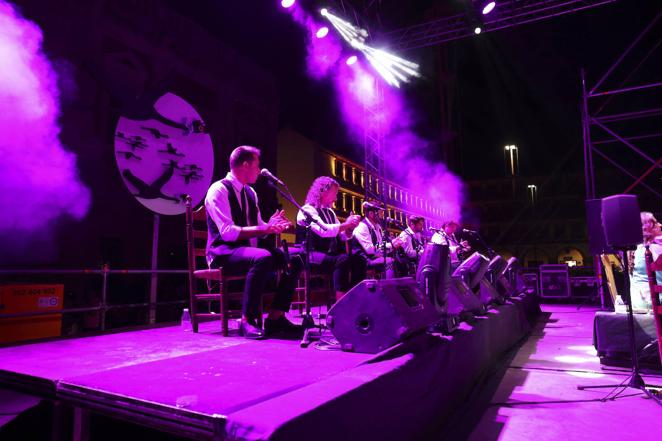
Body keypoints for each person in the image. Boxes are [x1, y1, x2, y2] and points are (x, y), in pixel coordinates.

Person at [205, 145, 302, 338]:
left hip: (247, 252)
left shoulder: (250, 193)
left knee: (295, 259)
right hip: (223, 252)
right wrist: (263, 228)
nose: (259, 170)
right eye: (257, 166)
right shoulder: (218, 190)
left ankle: (275, 317)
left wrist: (271, 226)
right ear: (246, 165)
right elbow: (227, 233)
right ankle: (247, 320)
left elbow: (258, 229)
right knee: (263, 257)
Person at [296, 177, 362, 302]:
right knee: (342, 259)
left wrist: (350, 228)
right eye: (334, 194)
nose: (336, 198)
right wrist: (346, 224)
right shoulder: (308, 210)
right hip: (310, 254)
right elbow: (324, 230)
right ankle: (340, 305)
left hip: (328, 255)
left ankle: (356, 299)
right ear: (322, 191)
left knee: (359, 260)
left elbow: (341, 235)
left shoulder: (330, 212)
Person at [352, 201, 403, 279]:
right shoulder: (362, 226)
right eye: (380, 213)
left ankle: (392, 287)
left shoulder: (377, 227)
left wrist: (393, 246)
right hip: (363, 260)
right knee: (390, 262)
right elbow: (370, 249)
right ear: (371, 214)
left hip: (373, 257)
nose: (382, 216)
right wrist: (391, 245)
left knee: (397, 261)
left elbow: (380, 248)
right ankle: (389, 288)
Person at [628, 212, 662, 312]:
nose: (660, 225)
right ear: (647, 228)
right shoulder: (655, 249)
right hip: (655, 302)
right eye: (655, 223)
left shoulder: (633, 250)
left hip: (638, 301)